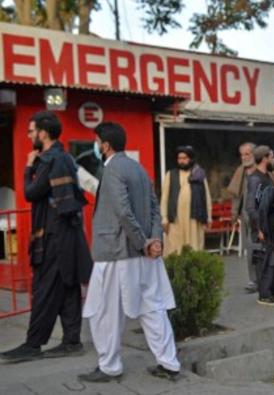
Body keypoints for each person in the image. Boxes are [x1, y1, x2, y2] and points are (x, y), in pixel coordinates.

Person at [79, 122, 180, 383]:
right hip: (144, 256)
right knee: (153, 309)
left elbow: (123, 212)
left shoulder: (112, 169)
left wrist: (143, 242)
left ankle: (109, 366)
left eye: (96, 141)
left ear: (105, 145)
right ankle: (169, 363)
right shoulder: (138, 168)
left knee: (104, 311)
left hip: (117, 253)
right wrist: (154, 239)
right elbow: (155, 208)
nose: (95, 146)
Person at [0, 111, 92, 363]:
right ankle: (72, 341)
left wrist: (28, 165)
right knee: (66, 285)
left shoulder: (52, 160)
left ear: (43, 133)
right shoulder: (59, 158)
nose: (30, 135)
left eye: (31, 131)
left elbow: (30, 193)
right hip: (61, 233)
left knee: (45, 289)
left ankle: (32, 344)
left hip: (56, 236)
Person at [245, 145, 274, 306]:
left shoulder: (268, 176)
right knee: (264, 260)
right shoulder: (255, 179)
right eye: (271, 157)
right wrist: (259, 227)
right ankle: (264, 293)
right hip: (263, 227)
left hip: (272, 225)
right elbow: (251, 206)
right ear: (264, 159)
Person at [160, 145, 212, 256]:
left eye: (185, 158)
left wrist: (209, 217)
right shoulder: (171, 174)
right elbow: (164, 198)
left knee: (194, 247)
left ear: (190, 159)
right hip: (176, 218)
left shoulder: (199, 175)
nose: (182, 161)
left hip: (194, 218)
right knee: (175, 249)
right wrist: (164, 218)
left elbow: (206, 197)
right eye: (180, 158)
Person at [227, 142, 258, 292]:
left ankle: (266, 280)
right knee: (250, 249)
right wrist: (234, 215)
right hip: (246, 216)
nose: (245, 157)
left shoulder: (261, 170)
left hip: (260, 216)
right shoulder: (241, 172)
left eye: (248, 154)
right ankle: (253, 280)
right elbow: (236, 196)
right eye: (242, 154)